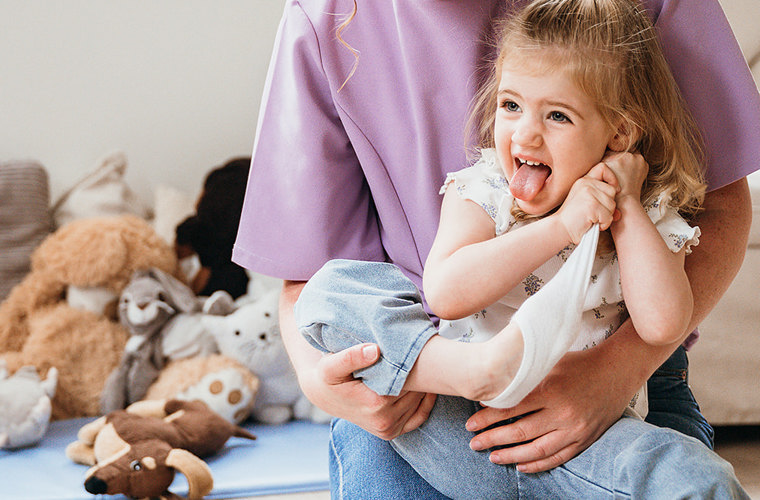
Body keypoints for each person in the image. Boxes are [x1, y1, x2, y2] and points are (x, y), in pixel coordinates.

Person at [234, 0, 760, 497]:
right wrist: (320, 379)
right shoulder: (482, 186)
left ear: (620, 133)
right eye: (510, 106)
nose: (526, 136)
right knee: (337, 290)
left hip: (607, 424)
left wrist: (617, 366)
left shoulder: (642, 209)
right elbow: (414, 290)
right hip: (433, 395)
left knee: (697, 480)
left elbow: (681, 290)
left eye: (558, 115)